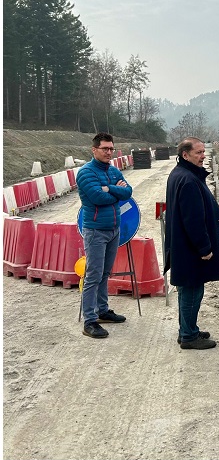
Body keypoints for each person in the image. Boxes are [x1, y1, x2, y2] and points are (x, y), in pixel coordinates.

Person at [164, 137, 219, 350]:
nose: (203, 156)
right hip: (190, 249)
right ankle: (189, 336)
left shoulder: (181, 174)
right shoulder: (188, 180)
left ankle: (187, 329)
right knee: (192, 290)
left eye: (203, 152)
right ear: (185, 155)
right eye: (198, 152)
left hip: (183, 246)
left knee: (187, 289)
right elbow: (193, 219)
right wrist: (204, 247)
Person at [76, 132, 132, 339]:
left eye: (111, 149)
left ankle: (103, 310)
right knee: (93, 275)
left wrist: (109, 188)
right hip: (95, 231)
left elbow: (128, 192)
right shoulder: (86, 172)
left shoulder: (114, 170)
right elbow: (98, 198)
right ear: (94, 150)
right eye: (105, 149)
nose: (109, 152)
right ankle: (89, 321)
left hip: (114, 229)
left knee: (105, 273)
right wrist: (116, 192)